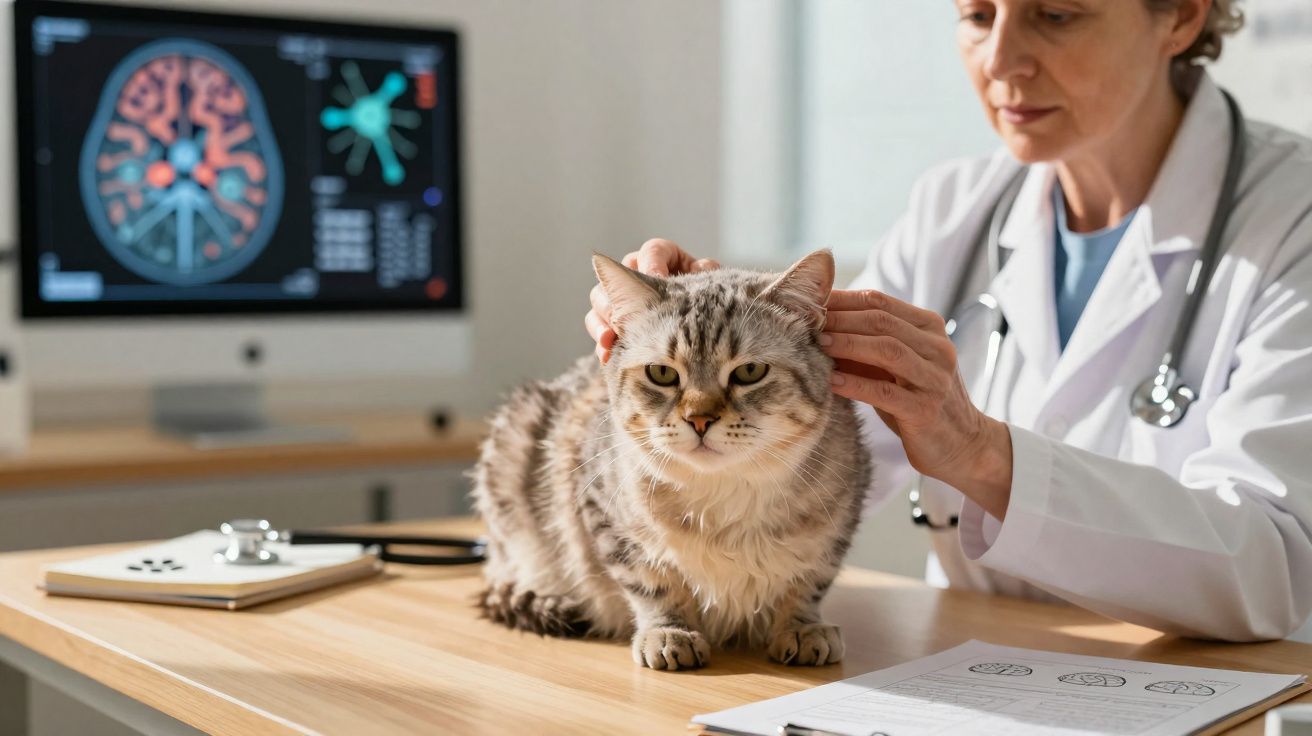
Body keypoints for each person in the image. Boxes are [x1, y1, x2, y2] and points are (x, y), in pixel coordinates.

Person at [584, 0, 1312, 642]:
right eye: (975, 15)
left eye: (1056, 15)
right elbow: (817, 454)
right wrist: (694, 345)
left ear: (1182, 15)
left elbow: (1275, 566)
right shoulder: (953, 211)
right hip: (972, 668)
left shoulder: (1293, 219)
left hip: (1224, 694)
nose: (1001, 60)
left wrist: (981, 455)